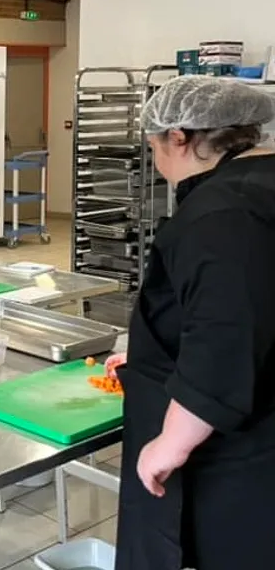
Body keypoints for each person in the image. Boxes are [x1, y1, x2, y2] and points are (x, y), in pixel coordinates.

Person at [107, 76, 275, 570]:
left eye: (155, 146)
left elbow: (226, 336)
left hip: (237, 449)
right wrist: (149, 356)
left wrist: (170, 443)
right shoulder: (260, 187)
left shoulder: (221, 214)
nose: (157, 161)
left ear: (178, 138)